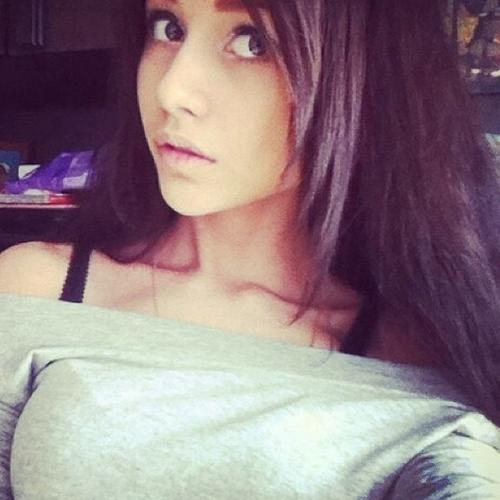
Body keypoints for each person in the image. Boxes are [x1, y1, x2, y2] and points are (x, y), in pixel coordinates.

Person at [0, 0, 499, 497]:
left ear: (368, 75)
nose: (171, 90)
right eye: (168, 28)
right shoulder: (36, 287)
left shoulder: (415, 354)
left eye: (251, 41)